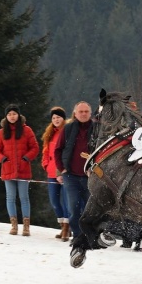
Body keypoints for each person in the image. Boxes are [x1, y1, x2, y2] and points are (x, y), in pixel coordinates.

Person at [0, 104, 40, 236]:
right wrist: (2, 159)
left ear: (18, 115)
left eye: (14, 114)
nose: (12, 117)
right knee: (10, 198)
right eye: (9, 114)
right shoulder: (1, 132)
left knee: (24, 197)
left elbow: (35, 148)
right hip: (7, 169)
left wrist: (26, 158)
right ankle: (14, 225)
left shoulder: (27, 130)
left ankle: (26, 226)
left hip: (23, 169)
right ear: (6, 117)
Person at [55, 101, 95, 239]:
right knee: (73, 208)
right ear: (75, 113)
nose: (83, 114)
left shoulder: (97, 129)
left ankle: (89, 236)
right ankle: (78, 236)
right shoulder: (68, 128)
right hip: (71, 176)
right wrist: (62, 169)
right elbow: (57, 150)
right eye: (81, 111)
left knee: (90, 210)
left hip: (91, 176)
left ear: (90, 113)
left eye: (86, 111)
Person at [41, 106, 70, 241]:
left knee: (66, 201)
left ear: (63, 118)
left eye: (58, 117)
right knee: (54, 201)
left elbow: (67, 153)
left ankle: (66, 228)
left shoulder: (67, 132)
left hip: (64, 172)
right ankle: (61, 224)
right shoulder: (49, 133)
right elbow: (45, 152)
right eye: (53, 118)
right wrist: (46, 164)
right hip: (51, 172)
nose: (56, 120)